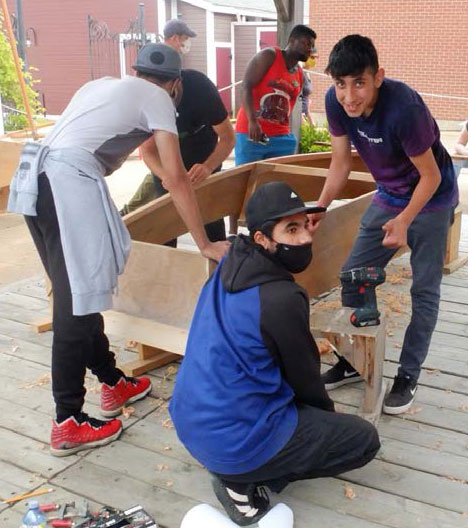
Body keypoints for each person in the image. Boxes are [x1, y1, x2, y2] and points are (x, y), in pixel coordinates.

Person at [8, 43, 229, 457]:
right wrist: (204, 242)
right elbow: (178, 178)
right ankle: (68, 420)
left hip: (33, 175)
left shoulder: (101, 84)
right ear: (175, 84)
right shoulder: (160, 99)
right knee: (75, 301)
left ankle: (112, 382)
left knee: (80, 289)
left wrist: (168, 178)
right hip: (67, 177)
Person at [169, 181, 380, 525]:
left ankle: (247, 464)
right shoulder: (280, 298)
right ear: (262, 239)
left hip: (190, 421)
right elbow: (305, 376)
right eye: (291, 229)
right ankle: (240, 483)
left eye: (305, 225)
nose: (306, 239)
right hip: (232, 443)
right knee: (363, 440)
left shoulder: (230, 262)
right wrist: (325, 419)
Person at [316, 35, 458, 414]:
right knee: (353, 275)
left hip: (432, 199)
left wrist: (403, 221)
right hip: (388, 193)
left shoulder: (404, 108)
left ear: (378, 76)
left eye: (358, 83)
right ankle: (354, 360)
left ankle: (408, 375)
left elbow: (430, 177)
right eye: (340, 84)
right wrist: (320, 206)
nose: (349, 96)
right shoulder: (336, 103)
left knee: (423, 290)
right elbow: (341, 163)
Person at [121, 20, 235, 245]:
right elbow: (149, 151)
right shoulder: (139, 99)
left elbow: (228, 138)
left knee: (213, 231)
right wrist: (166, 176)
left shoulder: (201, 88)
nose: (153, 97)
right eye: (147, 86)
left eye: (161, 88)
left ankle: (219, 275)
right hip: (166, 171)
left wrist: (208, 167)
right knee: (164, 232)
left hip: (203, 166)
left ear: (176, 82)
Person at [234, 25, 316, 165]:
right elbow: (246, 86)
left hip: (281, 137)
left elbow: (288, 109)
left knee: (276, 183)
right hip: (252, 133)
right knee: (246, 182)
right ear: (292, 40)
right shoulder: (269, 56)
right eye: (306, 43)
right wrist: (253, 122)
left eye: (312, 45)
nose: (310, 49)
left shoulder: (300, 74)